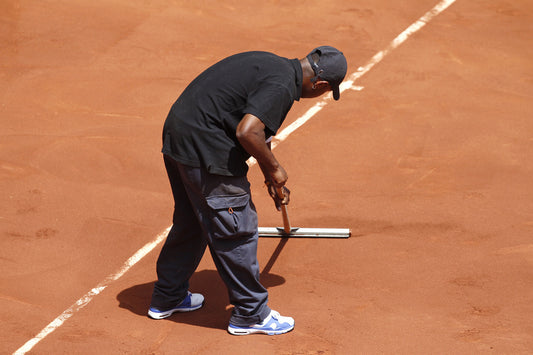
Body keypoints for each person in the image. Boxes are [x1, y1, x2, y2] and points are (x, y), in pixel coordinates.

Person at [148, 46, 347, 335]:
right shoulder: (281, 87)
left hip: (179, 135)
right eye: (328, 91)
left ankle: (168, 296)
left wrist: (269, 176)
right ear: (320, 85)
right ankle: (251, 314)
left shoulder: (272, 65)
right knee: (236, 229)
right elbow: (247, 132)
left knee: (192, 221)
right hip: (206, 148)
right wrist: (277, 169)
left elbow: (258, 132)